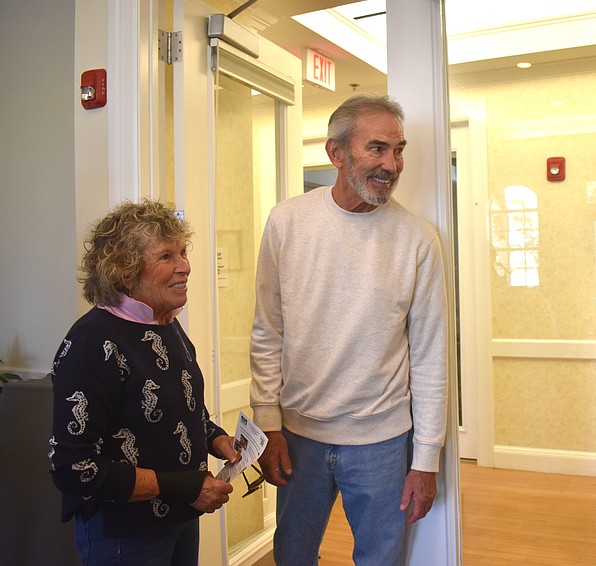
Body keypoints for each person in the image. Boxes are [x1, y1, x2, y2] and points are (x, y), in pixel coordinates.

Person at [250, 93, 449, 565]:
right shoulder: (287, 222)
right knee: (293, 557)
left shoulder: (418, 239)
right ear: (336, 153)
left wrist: (425, 461)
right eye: (376, 148)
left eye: (398, 150)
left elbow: (431, 356)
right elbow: (267, 331)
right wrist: (267, 426)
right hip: (298, 435)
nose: (391, 164)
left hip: (382, 442)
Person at [49, 200, 240, 566]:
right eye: (166, 256)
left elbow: (183, 410)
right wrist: (188, 486)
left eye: (183, 252)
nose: (185, 266)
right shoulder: (94, 341)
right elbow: (75, 469)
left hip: (181, 517)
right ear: (124, 271)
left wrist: (218, 439)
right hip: (125, 533)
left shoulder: (166, 323)